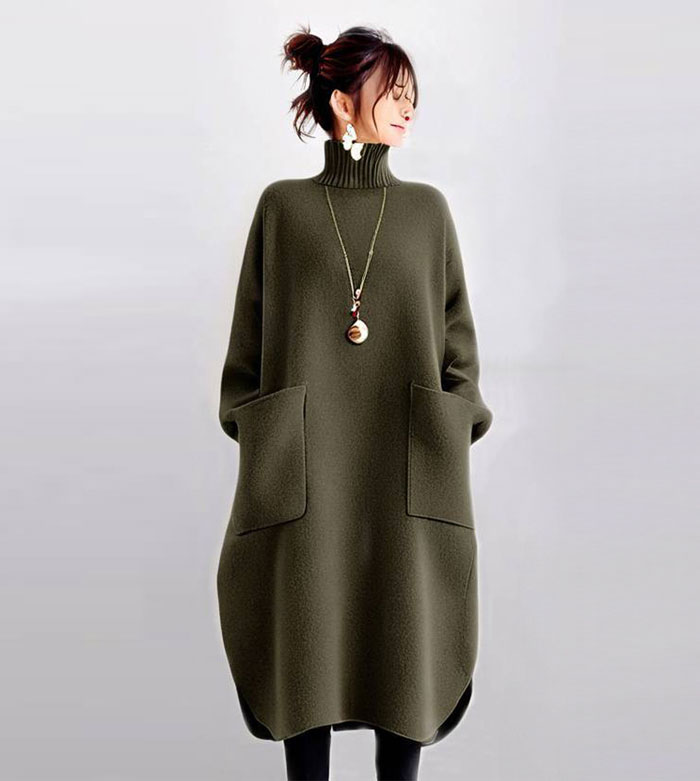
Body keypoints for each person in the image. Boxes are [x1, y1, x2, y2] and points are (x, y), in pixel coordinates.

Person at [216, 24, 494, 781]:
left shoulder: (427, 212)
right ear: (343, 102)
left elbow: (459, 350)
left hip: (407, 474)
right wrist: (267, 433)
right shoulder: (283, 209)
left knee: (405, 663)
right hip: (304, 479)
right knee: (302, 666)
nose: (408, 107)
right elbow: (244, 359)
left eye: (412, 95)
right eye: (393, 93)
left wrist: (450, 422)